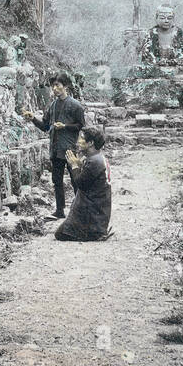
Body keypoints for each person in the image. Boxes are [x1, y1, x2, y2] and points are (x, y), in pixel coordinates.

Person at [20, 71, 85, 220]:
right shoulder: (53, 105)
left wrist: (65, 126)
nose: (54, 89)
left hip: (69, 148)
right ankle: (60, 210)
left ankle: (80, 210)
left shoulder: (75, 105)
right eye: (53, 86)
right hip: (55, 149)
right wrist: (33, 119)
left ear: (66, 86)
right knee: (57, 181)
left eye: (57, 85)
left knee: (76, 179)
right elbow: (45, 126)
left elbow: (80, 125)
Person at [56, 127, 112, 242]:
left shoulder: (93, 161)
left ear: (90, 143)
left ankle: (95, 234)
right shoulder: (98, 158)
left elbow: (80, 184)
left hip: (93, 214)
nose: (78, 142)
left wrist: (74, 166)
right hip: (99, 212)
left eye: (82, 139)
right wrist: (80, 164)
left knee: (60, 234)